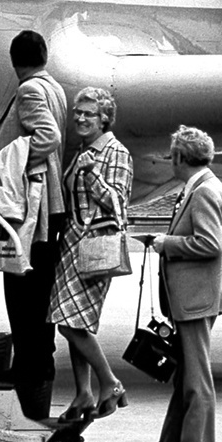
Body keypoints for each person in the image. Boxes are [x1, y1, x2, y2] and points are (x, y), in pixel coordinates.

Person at [138, 125, 222, 442]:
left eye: (171, 154)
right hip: (192, 295)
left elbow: (210, 245)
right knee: (186, 377)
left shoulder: (205, 192)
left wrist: (167, 245)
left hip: (196, 297)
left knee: (197, 380)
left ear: (180, 158)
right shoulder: (201, 186)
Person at [0, 30, 68, 421]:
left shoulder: (29, 91)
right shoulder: (54, 88)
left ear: (13, 59)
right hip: (52, 208)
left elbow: (47, 136)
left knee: (23, 301)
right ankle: (37, 384)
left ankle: (31, 386)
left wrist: (11, 163)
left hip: (33, 214)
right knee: (39, 304)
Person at [46, 86, 133, 422]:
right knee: (72, 320)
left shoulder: (115, 152)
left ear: (104, 119)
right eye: (78, 113)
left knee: (69, 322)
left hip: (94, 250)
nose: (81, 118)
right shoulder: (83, 150)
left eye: (89, 114)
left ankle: (109, 382)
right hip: (71, 246)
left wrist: (90, 171)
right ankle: (83, 393)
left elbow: (117, 203)